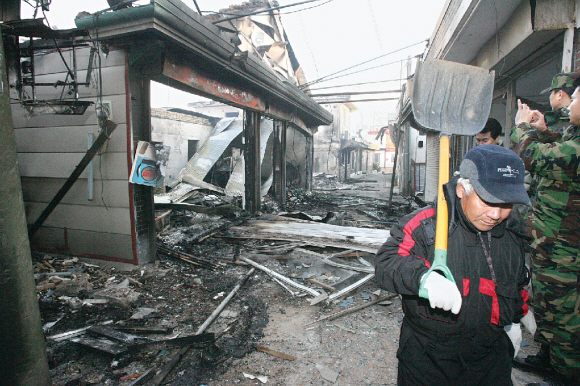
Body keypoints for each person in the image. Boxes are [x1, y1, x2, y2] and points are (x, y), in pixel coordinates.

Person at [375, 145, 534, 386]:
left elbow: (516, 282)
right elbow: (386, 264)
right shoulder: (427, 227)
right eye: (489, 201)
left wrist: (515, 318)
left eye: (506, 204)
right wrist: (422, 278)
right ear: (462, 189)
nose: (496, 214)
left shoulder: (512, 235)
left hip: (490, 358)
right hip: (430, 359)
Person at [510, 74, 580, 386]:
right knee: (548, 309)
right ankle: (548, 359)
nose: (571, 103)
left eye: (576, 98)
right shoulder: (573, 138)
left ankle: (565, 375)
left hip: (566, 254)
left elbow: (532, 157)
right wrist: (543, 130)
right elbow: (561, 150)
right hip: (552, 245)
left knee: (565, 318)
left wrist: (523, 126)